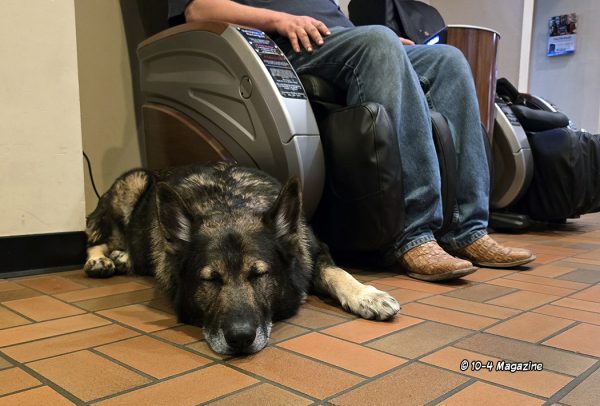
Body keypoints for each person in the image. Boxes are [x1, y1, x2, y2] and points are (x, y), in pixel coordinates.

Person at [166, 0, 535, 281]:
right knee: (379, 41)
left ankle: (467, 229)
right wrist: (280, 20)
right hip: (276, 45)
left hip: (335, 41)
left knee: (447, 60)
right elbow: (198, 10)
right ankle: (411, 235)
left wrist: (386, 46)